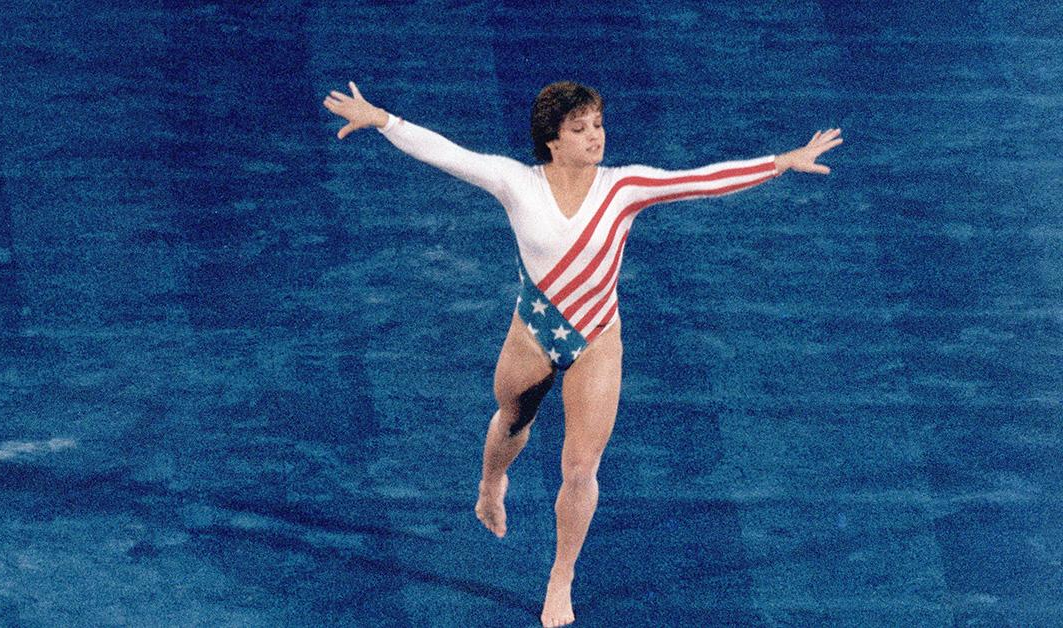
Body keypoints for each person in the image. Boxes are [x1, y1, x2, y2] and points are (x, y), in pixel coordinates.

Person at [323, 80, 841, 627]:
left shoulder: (625, 188)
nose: (594, 137)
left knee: (580, 467)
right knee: (512, 418)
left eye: (597, 125)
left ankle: (561, 574)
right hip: (531, 333)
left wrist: (781, 161)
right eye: (579, 129)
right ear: (551, 139)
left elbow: (701, 181)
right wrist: (383, 120)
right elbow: (449, 154)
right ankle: (490, 482)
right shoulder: (516, 183)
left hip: (596, 341)